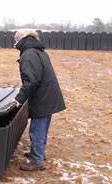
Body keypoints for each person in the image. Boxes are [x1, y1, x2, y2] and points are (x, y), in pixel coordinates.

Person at [13, 30, 66, 171]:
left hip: (42, 98)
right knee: (42, 129)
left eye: (15, 41)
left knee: (37, 131)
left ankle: (37, 161)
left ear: (21, 40)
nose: (14, 44)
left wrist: (19, 99)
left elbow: (31, 80)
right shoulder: (38, 51)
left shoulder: (29, 54)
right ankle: (38, 154)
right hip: (48, 96)